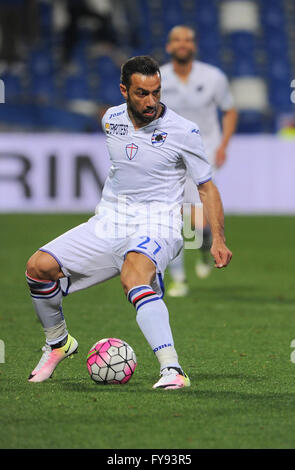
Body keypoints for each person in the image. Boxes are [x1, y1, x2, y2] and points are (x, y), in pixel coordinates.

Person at [25, 56, 232, 389]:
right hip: (108, 221)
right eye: (141, 93)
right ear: (124, 90)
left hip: (158, 224)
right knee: (38, 267)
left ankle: (172, 370)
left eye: (156, 92)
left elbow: (206, 187)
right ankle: (58, 343)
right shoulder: (111, 119)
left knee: (132, 275)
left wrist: (218, 239)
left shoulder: (184, 131)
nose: (150, 101)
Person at [160, 26, 238, 297]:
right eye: (178, 40)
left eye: (189, 40)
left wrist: (225, 144)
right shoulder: (159, 78)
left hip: (204, 152)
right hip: (169, 154)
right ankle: (178, 278)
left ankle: (204, 245)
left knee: (198, 220)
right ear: (169, 47)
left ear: (194, 46)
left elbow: (229, 110)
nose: (183, 44)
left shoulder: (213, 76)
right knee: (173, 217)